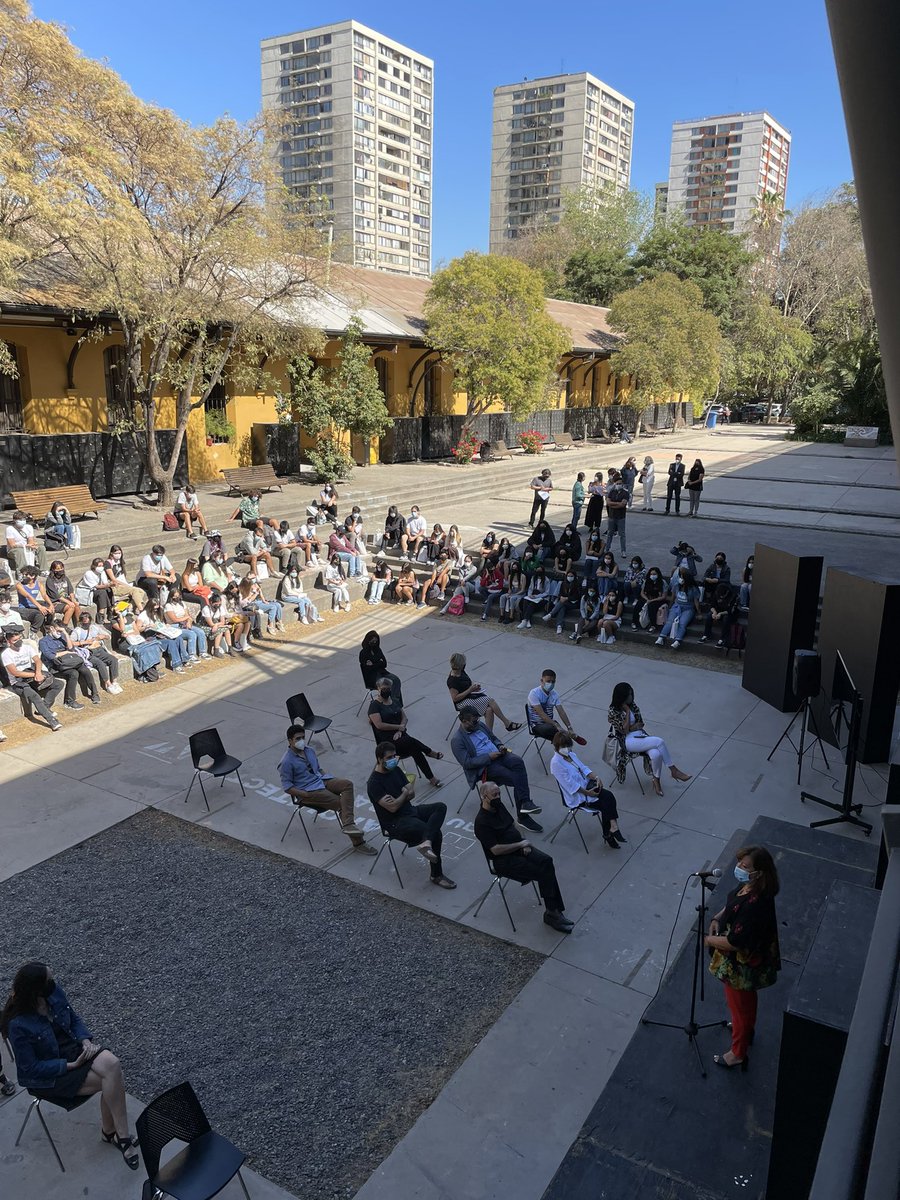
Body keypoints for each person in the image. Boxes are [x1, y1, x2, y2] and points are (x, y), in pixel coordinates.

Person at [1, 962, 140, 1170]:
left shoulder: (53, 993)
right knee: (110, 1078)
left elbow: (73, 1019)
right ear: (36, 989)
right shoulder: (18, 1024)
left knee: (113, 1064)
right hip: (51, 1074)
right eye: (49, 980)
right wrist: (69, 1065)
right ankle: (118, 1136)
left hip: (72, 1049)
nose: (53, 983)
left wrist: (85, 1040)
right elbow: (29, 1070)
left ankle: (115, 1135)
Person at [705, 846, 781, 1070]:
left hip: (742, 966)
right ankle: (748, 1029)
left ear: (759, 872)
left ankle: (737, 1053)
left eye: (745, 866)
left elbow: (733, 943)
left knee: (738, 1006)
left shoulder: (755, 905)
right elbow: (732, 904)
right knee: (746, 1002)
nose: (738, 868)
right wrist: (718, 916)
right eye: (739, 863)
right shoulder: (750, 886)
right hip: (746, 962)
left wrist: (708, 940)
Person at [474, 782, 572, 933]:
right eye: (494, 795)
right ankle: (552, 913)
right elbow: (495, 850)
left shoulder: (499, 806)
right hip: (504, 860)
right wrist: (520, 845)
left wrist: (523, 842)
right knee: (542, 872)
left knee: (547, 861)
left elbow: (515, 824)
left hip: (520, 847)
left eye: (499, 793)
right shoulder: (481, 822)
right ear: (484, 797)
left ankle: (554, 911)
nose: (498, 797)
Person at [367, 742, 455, 886]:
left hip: (410, 811)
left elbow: (412, 793)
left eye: (394, 756)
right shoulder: (374, 783)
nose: (393, 759)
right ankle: (436, 875)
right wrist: (404, 794)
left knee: (440, 807)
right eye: (389, 757)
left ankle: (426, 842)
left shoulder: (395, 770)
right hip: (395, 823)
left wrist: (401, 796)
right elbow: (393, 808)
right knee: (436, 834)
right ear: (379, 759)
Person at [279, 723, 374, 853]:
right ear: (290, 740)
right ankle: (358, 842)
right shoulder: (286, 762)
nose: (301, 741)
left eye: (303, 737)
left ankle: (348, 825)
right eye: (297, 739)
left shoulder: (309, 750)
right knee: (341, 803)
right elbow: (287, 787)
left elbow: (317, 769)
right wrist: (305, 795)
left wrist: (329, 780)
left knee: (347, 784)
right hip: (309, 790)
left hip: (321, 780)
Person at [452, 707, 542, 829]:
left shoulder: (480, 725)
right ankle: (523, 815)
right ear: (463, 721)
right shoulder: (457, 740)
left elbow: (493, 738)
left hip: (499, 755)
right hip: (486, 766)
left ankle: (525, 803)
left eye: (478, 720)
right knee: (516, 778)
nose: (477, 723)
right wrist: (488, 757)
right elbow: (467, 763)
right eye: (474, 721)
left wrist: (500, 746)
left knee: (517, 761)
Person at [607, 681, 691, 797]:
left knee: (656, 754)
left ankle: (656, 780)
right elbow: (624, 730)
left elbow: (641, 723)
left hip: (640, 735)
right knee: (659, 741)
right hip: (627, 741)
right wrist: (627, 712)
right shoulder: (613, 711)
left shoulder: (633, 706)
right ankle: (674, 770)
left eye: (631, 694)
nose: (631, 697)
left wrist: (633, 726)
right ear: (621, 697)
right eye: (628, 695)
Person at [549, 731, 626, 849]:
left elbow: (584, 768)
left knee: (608, 798)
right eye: (563, 747)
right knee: (607, 801)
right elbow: (571, 785)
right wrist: (588, 793)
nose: (567, 749)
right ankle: (610, 831)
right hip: (578, 795)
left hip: (589, 786)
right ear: (557, 747)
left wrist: (596, 777)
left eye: (568, 746)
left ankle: (611, 829)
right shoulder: (556, 763)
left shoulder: (571, 755)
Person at [368, 679, 443, 785]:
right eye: (383, 689)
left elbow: (404, 718)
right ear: (378, 689)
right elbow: (379, 725)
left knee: (414, 748)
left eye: (388, 688)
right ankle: (429, 753)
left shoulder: (394, 700)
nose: (386, 690)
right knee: (412, 743)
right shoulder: (374, 706)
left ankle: (432, 778)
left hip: (401, 736)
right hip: (388, 741)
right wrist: (398, 727)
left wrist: (399, 730)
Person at [1, 625, 64, 729]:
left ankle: (45, 706)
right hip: (18, 682)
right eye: (15, 640)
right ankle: (52, 720)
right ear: (9, 641)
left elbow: (37, 661)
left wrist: (38, 673)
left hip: (31, 676)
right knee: (34, 695)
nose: (19, 641)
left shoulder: (27, 647)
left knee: (58, 684)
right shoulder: (6, 654)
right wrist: (35, 675)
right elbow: (15, 672)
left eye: (20, 638)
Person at [447, 653, 521, 733]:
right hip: (462, 703)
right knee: (490, 700)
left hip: (469, 696)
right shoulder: (452, 681)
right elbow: (455, 698)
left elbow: (467, 684)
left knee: (489, 710)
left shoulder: (461, 672)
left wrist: (474, 688)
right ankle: (507, 723)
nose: (465, 664)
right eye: (463, 663)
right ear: (459, 664)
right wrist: (470, 690)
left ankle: (489, 735)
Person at [39, 619, 101, 708]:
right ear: (52, 628)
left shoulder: (62, 637)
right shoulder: (43, 641)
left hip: (68, 662)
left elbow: (71, 647)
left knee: (84, 669)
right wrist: (66, 652)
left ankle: (95, 693)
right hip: (56, 666)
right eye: (58, 630)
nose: (59, 633)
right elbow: (51, 656)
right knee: (73, 673)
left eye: (61, 630)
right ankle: (70, 701)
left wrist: (65, 633)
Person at [71, 612, 124, 693]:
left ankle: (115, 681)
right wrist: (83, 642)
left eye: (88, 622)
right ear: (81, 622)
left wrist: (103, 636)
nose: (86, 625)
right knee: (100, 664)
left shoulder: (95, 628)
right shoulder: (77, 631)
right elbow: (71, 643)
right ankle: (108, 684)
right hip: (88, 652)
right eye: (84, 623)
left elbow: (108, 636)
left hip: (99, 649)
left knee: (113, 660)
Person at [527, 669, 581, 743]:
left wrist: (569, 727)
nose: (551, 684)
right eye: (548, 681)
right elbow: (542, 714)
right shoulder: (534, 693)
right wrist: (556, 725)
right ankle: (567, 736)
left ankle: (567, 737)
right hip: (537, 725)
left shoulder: (554, 694)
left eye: (553, 682)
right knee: (560, 737)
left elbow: (561, 712)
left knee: (561, 737)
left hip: (550, 724)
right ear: (541, 681)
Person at [656, 567, 702, 650]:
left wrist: (699, 612)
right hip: (677, 606)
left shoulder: (693, 589)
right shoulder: (677, 585)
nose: (680, 579)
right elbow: (673, 597)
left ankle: (677, 640)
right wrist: (670, 607)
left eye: (682, 577)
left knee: (682, 623)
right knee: (669, 621)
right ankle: (661, 637)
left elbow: (696, 601)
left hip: (688, 608)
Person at [164, 588, 212, 659]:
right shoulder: (168, 606)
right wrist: (186, 618)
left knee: (200, 632)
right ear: (171, 597)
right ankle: (191, 655)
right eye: (175, 596)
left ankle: (203, 652)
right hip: (174, 626)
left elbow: (188, 616)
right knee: (191, 634)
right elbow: (174, 619)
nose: (178, 598)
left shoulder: (182, 603)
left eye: (179, 596)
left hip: (184, 623)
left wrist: (189, 622)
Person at [359, 631, 403, 703]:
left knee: (396, 680)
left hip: (383, 673)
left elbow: (385, 664)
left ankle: (395, 702)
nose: (374, 643)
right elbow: (368, 669)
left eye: (376, 641)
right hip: (372, 677)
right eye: (372, 641)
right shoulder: (363, 653)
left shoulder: (378, 650)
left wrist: (373, 664)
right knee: (387, 684)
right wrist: (379, 662)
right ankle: (389, 703)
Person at [102, 546, 145, 610]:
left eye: (119, 553)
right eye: (116, 553)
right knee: (134, 590)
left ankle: (130, 606)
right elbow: (113, 579)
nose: (118, 555)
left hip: (122, 583)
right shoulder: (108, 563)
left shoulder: (120, 562)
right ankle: (140, 609)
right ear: (111, 553)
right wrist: (126, 585)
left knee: (141, 591)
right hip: (114, 585)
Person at [5, 510, 47, 574]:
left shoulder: (29, 527)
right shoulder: (10, 529)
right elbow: (12, 545)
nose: (22, 521)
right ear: (14, 520)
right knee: (19, 551)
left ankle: (44, 569)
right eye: (20, 519)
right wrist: (24, 546)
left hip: (27, 547)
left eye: (24, 519)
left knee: (41, 548)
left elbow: (31, 540)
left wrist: (33, 545)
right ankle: (22, 572)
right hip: (14, 550)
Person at [700, 581, 739, 646]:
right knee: (709, 615)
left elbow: (731, 610)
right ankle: (706, 635)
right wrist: (714, 612)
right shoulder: (716, 593)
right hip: (718, 611)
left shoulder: (733, 596)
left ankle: (722, 639)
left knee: (726, 618)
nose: (720, 597)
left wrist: (720, 613)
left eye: (722, 596)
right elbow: (712, 605)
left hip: (729, 614)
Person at [545, 571, 582, 635]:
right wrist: (561, 597)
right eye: (568, 576)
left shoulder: (577, 584)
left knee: (562, 604)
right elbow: (561, 593)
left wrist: (567, 598)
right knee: (562, 607)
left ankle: (551, 614)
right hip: (565, 602)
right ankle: (559, 626)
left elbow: (577, 596)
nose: (569, 577)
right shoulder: (563, 583)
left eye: (571, 576)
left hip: (574, 603)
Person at [44, 561, 80, 626]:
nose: (60, 570)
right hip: (55, 602)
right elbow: (56, 596)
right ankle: (64, 625)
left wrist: (73, 600)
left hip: (66, 600)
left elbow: (70, 590)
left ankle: (79, 625)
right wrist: (69, 603)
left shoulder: (65, 578)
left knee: (76, 605)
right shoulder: (50, 580)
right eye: (57, 569)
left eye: (61, 568)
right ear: (53, 570)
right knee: (70, 607)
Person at [604, 472, 629, 554]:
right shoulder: (612, 492)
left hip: (621, 517)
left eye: (620, 484)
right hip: (612, 516)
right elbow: (608, 502)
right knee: (610, 534)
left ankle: (623, 550)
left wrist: (613, 504)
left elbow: (623, 504)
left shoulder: (625, 493)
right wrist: (617, 504)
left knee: (622, 535)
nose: (619, 485)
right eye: (617, 483)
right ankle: (607, 549)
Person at [637, 565, 667, 632]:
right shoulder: (646, 581)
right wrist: (647, 599)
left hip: (658, 600)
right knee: (639, 603)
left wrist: (651, 600)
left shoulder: (663, 583)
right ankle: (635, 622)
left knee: (651, 606)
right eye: (651, 574)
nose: (652, 575)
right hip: (648, 598)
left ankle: (653, 625)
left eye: (654, 574)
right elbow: (642, 593)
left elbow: (663, 596)